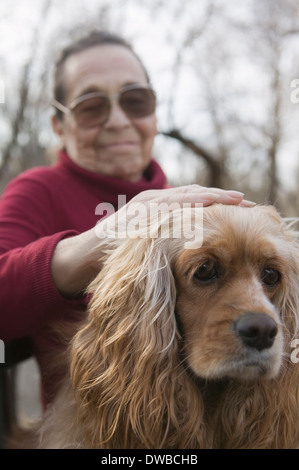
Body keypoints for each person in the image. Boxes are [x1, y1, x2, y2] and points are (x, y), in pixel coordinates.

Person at [0, 30, 253, 408]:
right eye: (91, 107)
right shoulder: (38, 191)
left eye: (136, 101)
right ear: (59, 127)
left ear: (153, 114)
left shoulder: (195, 204)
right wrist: (99, 243)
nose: (118, 121)